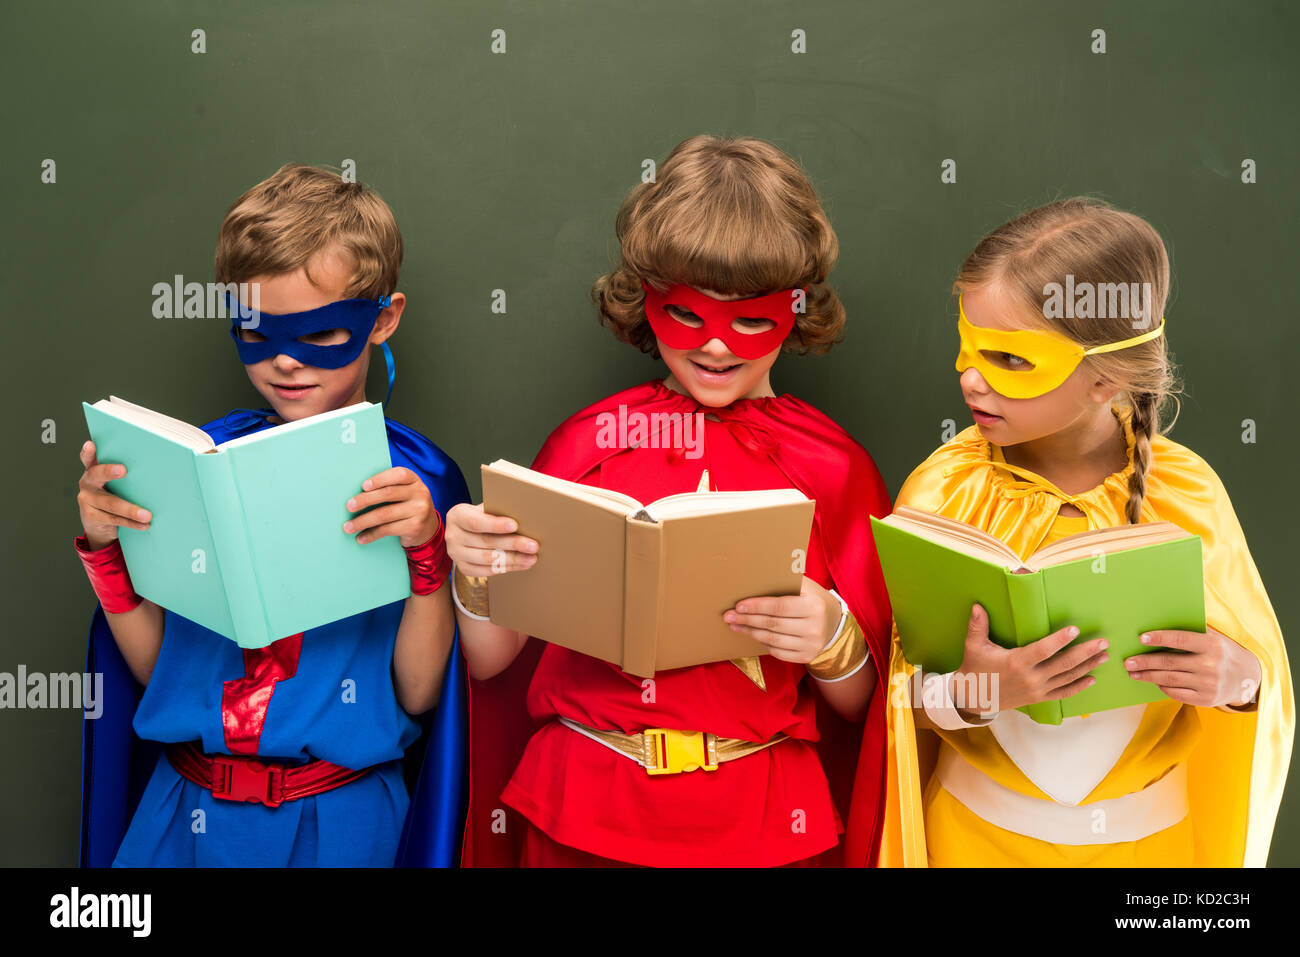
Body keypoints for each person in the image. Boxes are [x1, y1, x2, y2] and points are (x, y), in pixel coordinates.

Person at [448, 135, 894, 867]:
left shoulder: (835, 467)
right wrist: (472, 570)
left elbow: (864, 714)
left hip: (764, 817)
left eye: (750, 319)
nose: (717, 348)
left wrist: (833, 634)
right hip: (583, 804)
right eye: (689, 314)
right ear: (645, 301)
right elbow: (494, 662)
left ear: (796, 308)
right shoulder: (586, 445)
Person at [866, 197, 1293, 867]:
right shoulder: (943, 490)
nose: (971, 378)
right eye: (967, 346)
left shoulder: (1187, 493)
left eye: (1011, 360)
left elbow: (1259, 682)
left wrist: (1241, 683)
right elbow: (896, 705)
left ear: (1105, 377)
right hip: (972, 841)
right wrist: (982, 689)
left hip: (1151, 856)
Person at [75, 163, 470, 866]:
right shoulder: (202, 464)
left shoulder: (418, 482)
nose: (285, 362)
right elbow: (158, 667)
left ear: (383, 319)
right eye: (258, 333)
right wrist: (108, 549)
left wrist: (427, 555)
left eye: (320, 335)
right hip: (184, 815)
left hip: (342, 822)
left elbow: (419, 694)